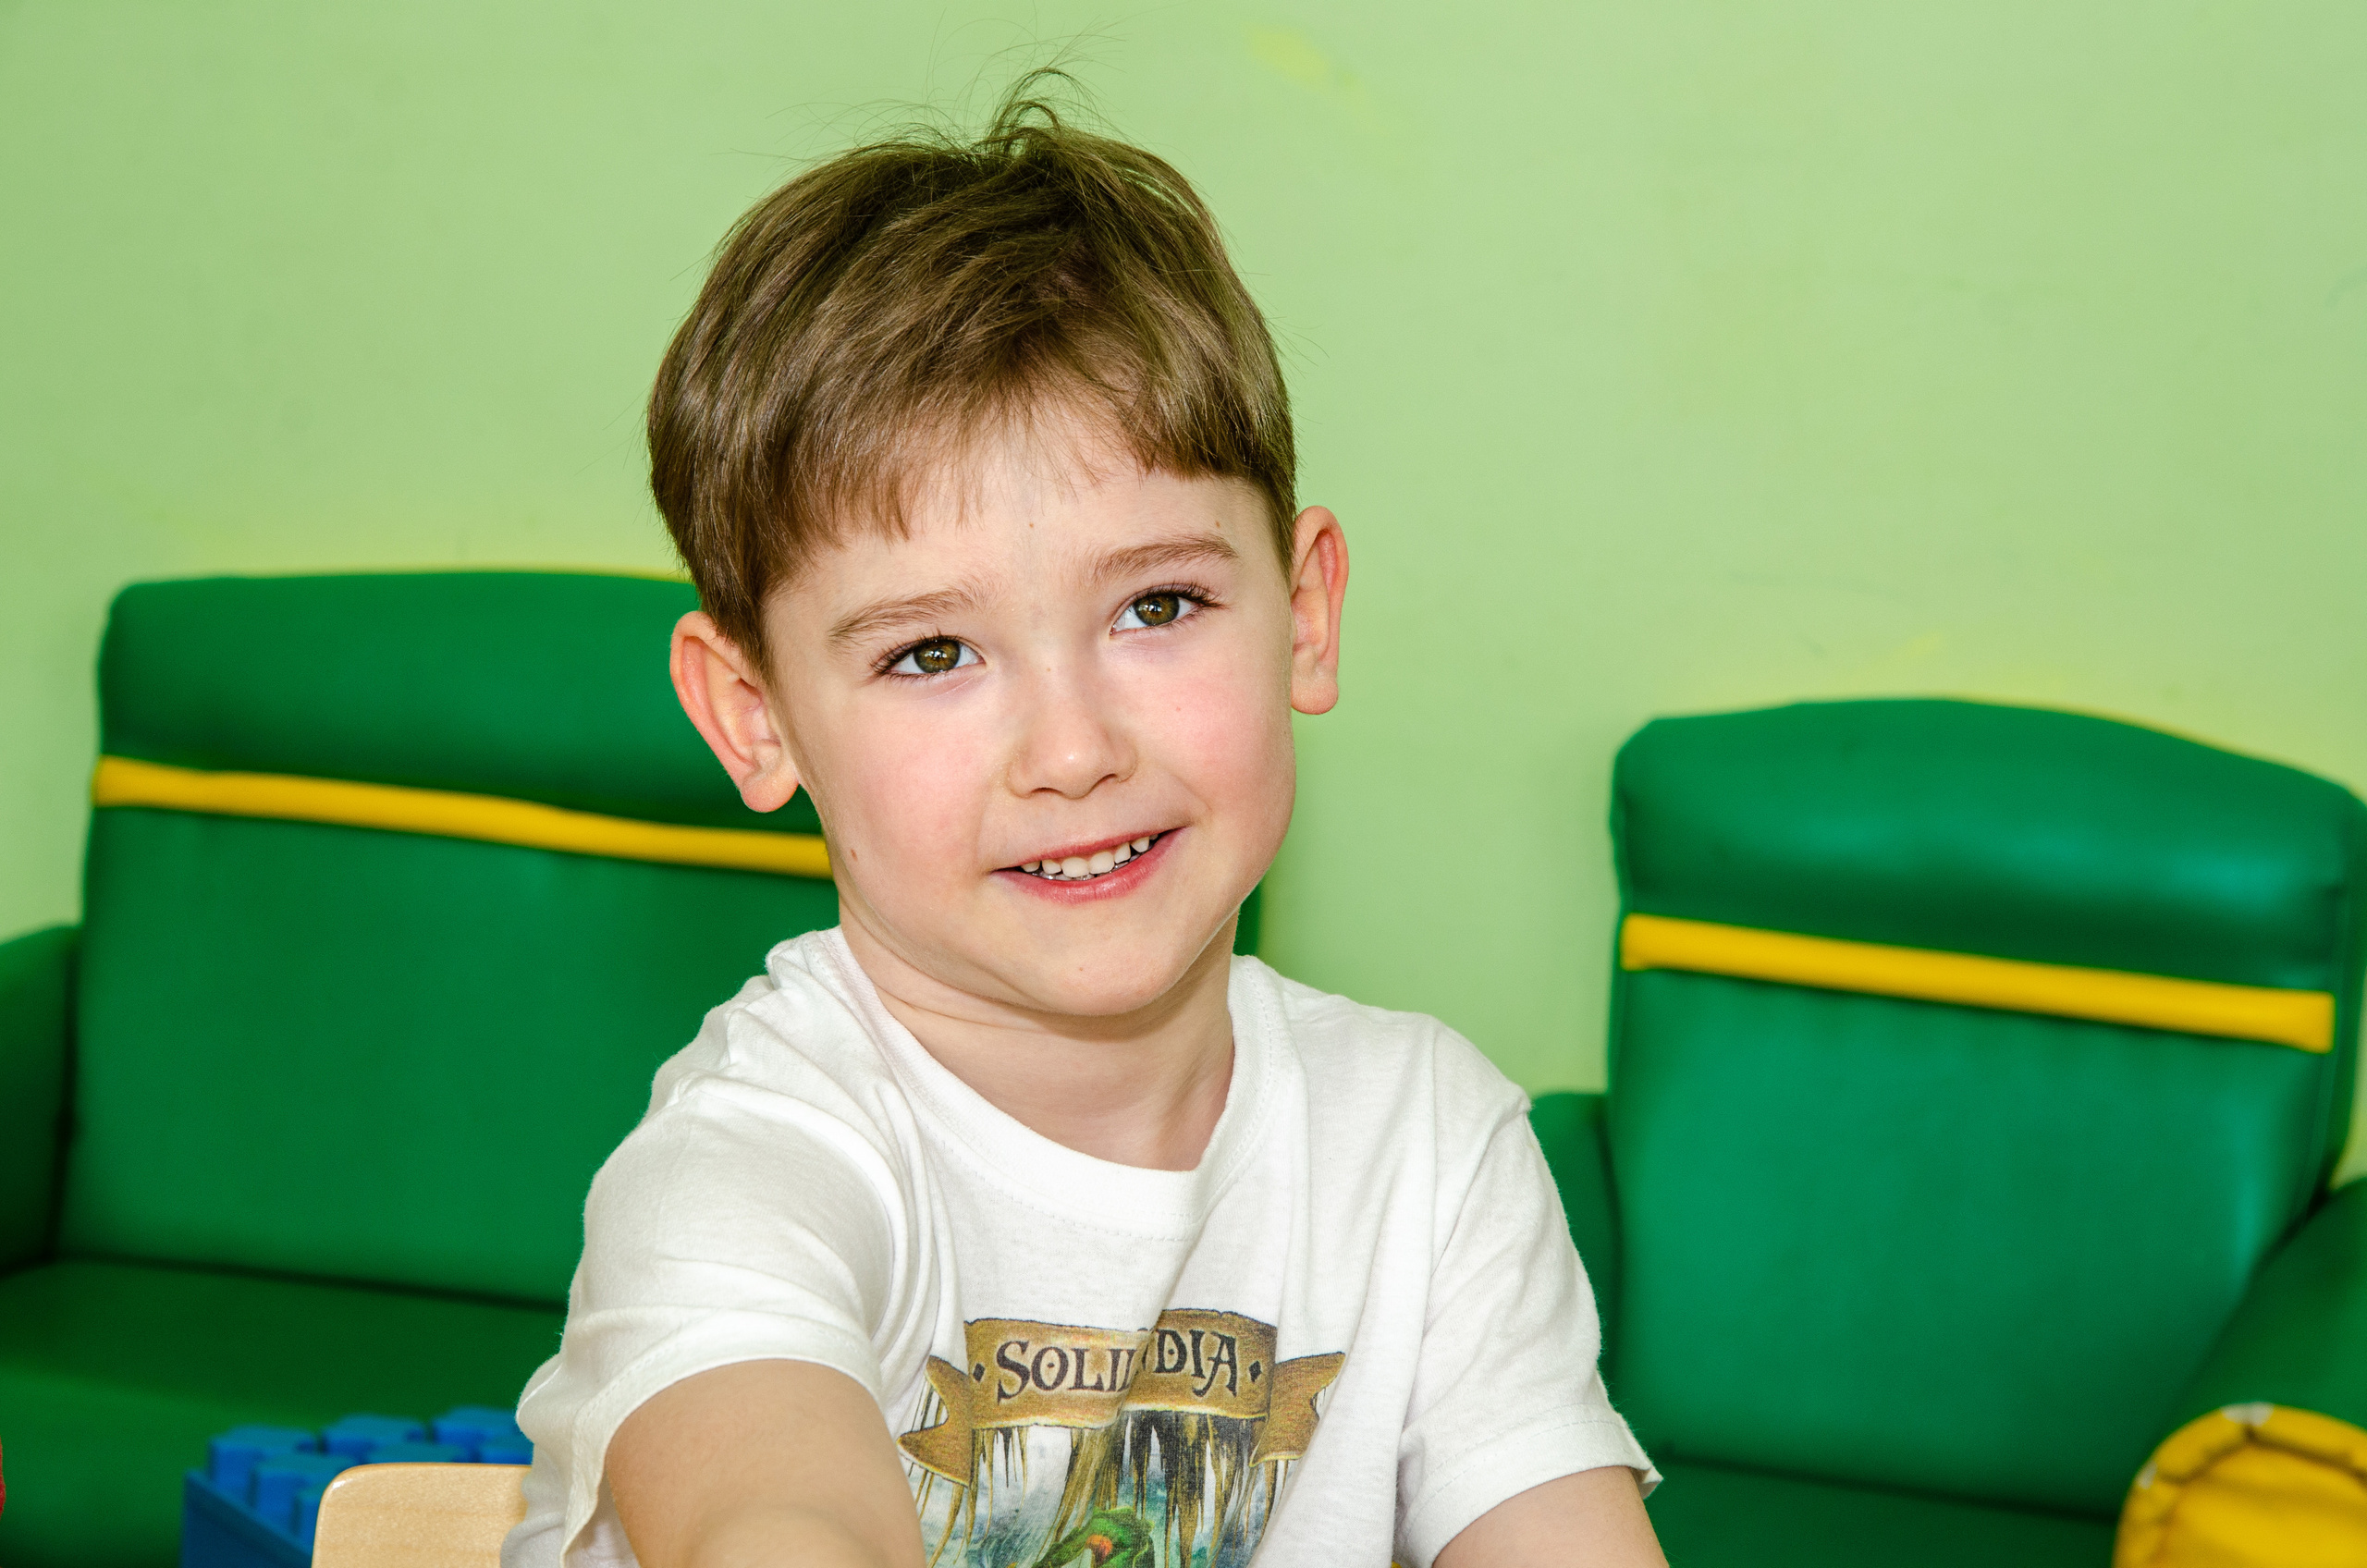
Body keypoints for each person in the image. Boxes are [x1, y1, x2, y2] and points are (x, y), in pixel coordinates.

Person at [504, 79, 1663, 1568]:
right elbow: (776, 1522)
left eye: (1158, 606)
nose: (1070, 750)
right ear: (755, 716)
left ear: (1303, 615)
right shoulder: (745, 1176)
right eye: (931, 653)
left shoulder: (1428, 1155)